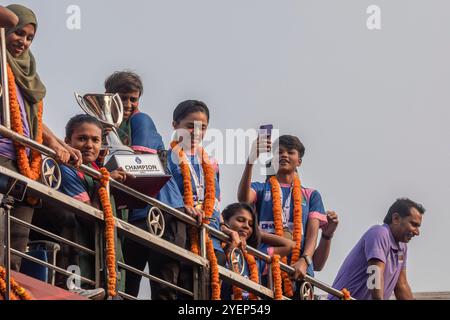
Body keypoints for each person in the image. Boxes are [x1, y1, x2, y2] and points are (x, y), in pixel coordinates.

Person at [0, 4, 82, 272]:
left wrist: (59, 144)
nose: (23, 41)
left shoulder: (27, 74)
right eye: (17, 33)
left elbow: (30, 121)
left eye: (29, 37)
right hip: (1, 158)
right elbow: (7, 16)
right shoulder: (0, 60)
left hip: (24, 164)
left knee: (14, 249)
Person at [104, 71, 189, 300]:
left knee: (163, 283)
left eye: (134, 98)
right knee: (126, 279)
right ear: (109, 98)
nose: (129, 104)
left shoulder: (140, 120)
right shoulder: (109, 127)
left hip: (162, 210)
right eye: (123, 98)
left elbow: (138, 165)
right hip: (136, 212)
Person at [34, 114, 127, 299]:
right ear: (67, 141)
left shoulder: (93, 170)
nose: (89, 145)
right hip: (66, 254)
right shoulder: (66, 166)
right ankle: (69, 284)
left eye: (95, 140)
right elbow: (87, 215)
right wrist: (104, 184)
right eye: (82, 138)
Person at [237, 134, 328, 297]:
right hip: (266, 264)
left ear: (299, 161)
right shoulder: (260, 188)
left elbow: (312, 235)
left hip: (299, 269)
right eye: (280, 152)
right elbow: (243, 199)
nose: (284, 155)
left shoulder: (311, 195)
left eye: (290, 152)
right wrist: (250, 161)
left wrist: (305, 260)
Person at [328, 198, 424, 300]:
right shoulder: (380, 233)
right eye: (413, 224)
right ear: (396, 218)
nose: (417, 232)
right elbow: (375, 273)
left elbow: (401, 286)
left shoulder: (402, 247)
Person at [220, 202, 294, 300]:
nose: (246, 226)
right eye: (240, 220)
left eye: (250, 224)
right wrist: (225, 229)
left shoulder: (256, 256)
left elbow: (289, 245)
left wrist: (257, 233)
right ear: (226, 221)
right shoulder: (216, 246)